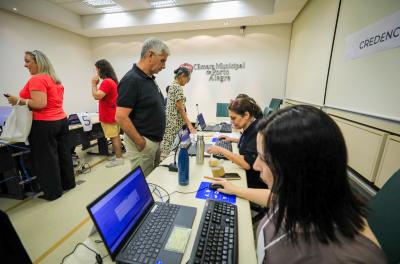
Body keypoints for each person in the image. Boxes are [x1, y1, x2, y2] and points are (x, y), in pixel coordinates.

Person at [209, 105, 386, 263]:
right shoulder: (308, 198)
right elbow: (277, 199)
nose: (255, 166)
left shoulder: (346, 257)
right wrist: (235, 190)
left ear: (297, 168)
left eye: (264, 159)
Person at [6, 50, 75, 201]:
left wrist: (18, 100)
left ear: (38, 62)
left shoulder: (37, 79)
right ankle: (68, 184)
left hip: (44, 124)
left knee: (47, 160)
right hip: (61, 120)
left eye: (28, 61)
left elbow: (40, 104)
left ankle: (53, 193)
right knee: (63, 155)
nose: (25, 65)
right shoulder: (54, 79)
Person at [116, 38, 169, 176]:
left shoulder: (149, 78)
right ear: (150, 55)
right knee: (145, 185)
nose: (164, 66)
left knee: (155, 181)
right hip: (143, 144)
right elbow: (121, 117)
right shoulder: (131, 80)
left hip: (154, 142)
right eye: (162, 60)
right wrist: (140, 142)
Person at [207, 97, 267, 189]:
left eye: (234, 118)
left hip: (251, 184)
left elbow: (247, 164)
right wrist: (232, 139)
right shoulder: (251, 126)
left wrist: (221, 150)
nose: (231, 122)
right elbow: (250, 143)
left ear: (246, 115)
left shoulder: (256, 130)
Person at [91, 59, 124, 168]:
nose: (97, 73)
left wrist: (93, 84)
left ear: (101, 69)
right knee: (115, 136)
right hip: (112, 113)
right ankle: (118, 156)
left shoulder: (106, 82)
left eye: (97, 70)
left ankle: (119, 159)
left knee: (114, 137)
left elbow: (97, 96)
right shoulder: (112, 81)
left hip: (109, 115)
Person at [160, 64, 195, 160]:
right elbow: (180, 109)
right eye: (187, 80)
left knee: (169, 149)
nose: (186, 83)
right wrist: (190, 125)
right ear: (182, 76)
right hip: (174, 124)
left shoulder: (172, 85)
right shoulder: (177, 87)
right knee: (171, 151)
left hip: (171, 123)